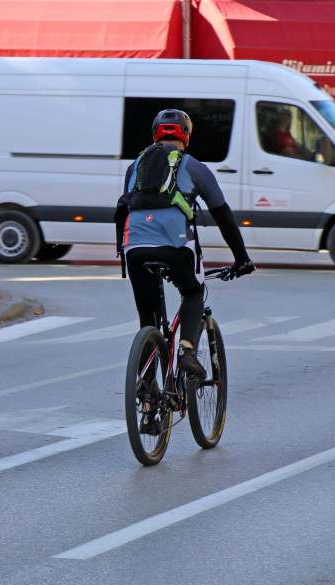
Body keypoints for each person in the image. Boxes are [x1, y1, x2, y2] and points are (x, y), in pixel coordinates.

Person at [115, 109, 255, 382]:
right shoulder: (194, 167)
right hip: (176, 246)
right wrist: (242, 258)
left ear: (155, 134)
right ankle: (186, 351)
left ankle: (146, 388)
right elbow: (222, 214)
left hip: (134, 247)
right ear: (187, 136)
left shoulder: (135, 166)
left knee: (149, 320)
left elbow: (125, 207)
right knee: (193, 292)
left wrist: (123, 250)